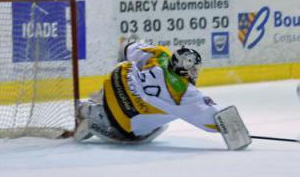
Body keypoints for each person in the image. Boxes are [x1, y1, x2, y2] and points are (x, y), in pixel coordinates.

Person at [75, 40, 245, 149]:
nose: (195, 73)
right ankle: (99, 116)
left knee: (130, 74)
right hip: (125, 120)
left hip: (115, 82)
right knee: (161, 114)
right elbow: (214, 120)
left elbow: (126, 48)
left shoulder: (161, 54)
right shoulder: (186, 93)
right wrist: (234, 129)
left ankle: (91, 107)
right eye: (194, 69)